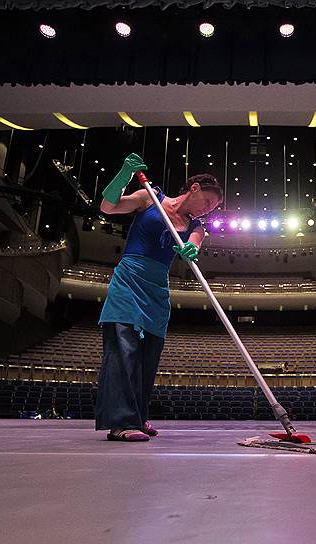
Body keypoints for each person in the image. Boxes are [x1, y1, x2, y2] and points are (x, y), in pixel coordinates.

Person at [95, 153, 223, 441]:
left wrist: (190, 250)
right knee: (124, 349)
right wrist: (125, 174)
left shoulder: (196, 227)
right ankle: (121, 423)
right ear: (194, 189)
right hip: (129, 279)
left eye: (212, 209)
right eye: (207, 202)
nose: (207, 211)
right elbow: (108, 206)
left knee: (148, 356)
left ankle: (138, 417)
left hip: (157, 288)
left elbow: (194, 245)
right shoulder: (150, 197)